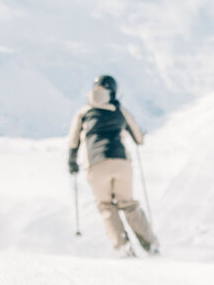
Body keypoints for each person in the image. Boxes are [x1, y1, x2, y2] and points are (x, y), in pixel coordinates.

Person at [66, 74, 160, 257]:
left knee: (106, 205)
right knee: (129, 204)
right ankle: (151, 245)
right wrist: (140, 135)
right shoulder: (120, 110)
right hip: (121, 162)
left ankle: (123, 247)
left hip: (95, 164)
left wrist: (72, 162)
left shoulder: (84, 112)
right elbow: (138, 138)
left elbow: (73, 141)